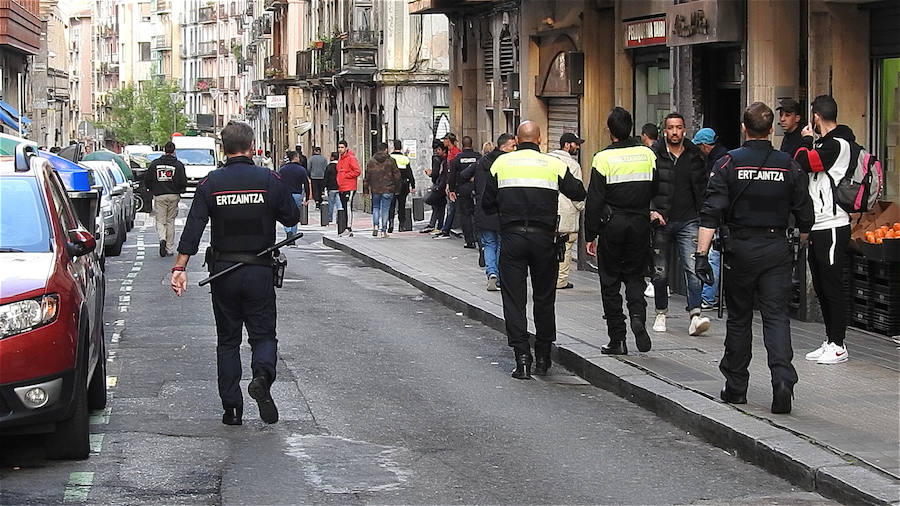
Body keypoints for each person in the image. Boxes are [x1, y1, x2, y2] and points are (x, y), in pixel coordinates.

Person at [170, 121, 300, 425]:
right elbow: (291, 216)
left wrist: (180, 267)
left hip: (223, 272)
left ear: (223, 149)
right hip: (259, 270)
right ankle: (262, 377)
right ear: (252, 146)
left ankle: (232, 408)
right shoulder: (268, 179)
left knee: (228, 340)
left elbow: (194, 227)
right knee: (263, 334)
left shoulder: (211, 183)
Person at [694, 102, 813, 414]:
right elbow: (805, 215)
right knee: (776, 317)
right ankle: (783, 381)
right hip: (776, 248)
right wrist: (799, 242)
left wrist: (701, 256)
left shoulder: (729, 163)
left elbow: (710, 214)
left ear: (744, 128)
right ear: (771, 129)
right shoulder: (788, 164)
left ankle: (736, 387)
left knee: (740, 319)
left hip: (739, 250)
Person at [482, 121, 586, 379]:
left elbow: (486, 203)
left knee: (514, 299)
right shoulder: (553, 164)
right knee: (544, 298)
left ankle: (522, 358)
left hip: (513, 237)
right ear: (540, 141)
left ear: (517, 140)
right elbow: (578, 191)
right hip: (544, 239)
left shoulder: (501, 164)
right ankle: (543, 357)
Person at [585, 107, 658, 356]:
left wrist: (590, 235)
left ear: (610, 131)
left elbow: (594, 199)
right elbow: (656, 187)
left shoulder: (602, 158)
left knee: (610, 281)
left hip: (612, 225)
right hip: (639, 223)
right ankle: (638, 315)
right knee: (635, 277)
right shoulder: (647, 154)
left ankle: (618, 338)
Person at [794, 95, 856, 365]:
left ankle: (839, 344)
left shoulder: (840, 144)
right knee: (820, 284)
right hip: (818, 223)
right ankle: (830, 339)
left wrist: (806, 140)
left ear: (816, 116)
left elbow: (805, 162)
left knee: (831, 284)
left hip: (833, 224)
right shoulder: (824, 144)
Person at [649, 113, 711, 336]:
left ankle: (695, 314)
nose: (674, 132)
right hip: (662, 220)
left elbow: (703, 188)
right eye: (670, 128)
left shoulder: (695, 155)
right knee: (660, 270)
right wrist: (652, 210)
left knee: (693, 268)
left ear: (685, 130)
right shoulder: (654, 154)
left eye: (678, 128)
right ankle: (660, 313)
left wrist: (706, 216)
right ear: (664, 130)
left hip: (689, 219)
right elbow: (647, 185)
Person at [691, 128, 729, 310]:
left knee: (713, 255)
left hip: (718, 216)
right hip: (722, 214)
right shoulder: (723, 158)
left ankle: (708, 297)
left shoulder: (718, 162)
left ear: (705, 146)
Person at [474, 133, 515, 291]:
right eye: (513, 146)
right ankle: (498, 276)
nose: (515, 149)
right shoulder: (507, 163)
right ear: (503, 147)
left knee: (489, 243)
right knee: (500, 244)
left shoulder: (481, 162)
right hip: (501, 209)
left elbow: (476, 185)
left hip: (484, 209)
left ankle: (491, 273)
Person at [549, 132, 586, 290]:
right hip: (566, 213)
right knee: (565, 247)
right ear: (567, 145)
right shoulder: (573, 166)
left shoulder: (547, 160)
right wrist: (582, 207)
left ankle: (548, 278)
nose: (577, 147)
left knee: (548, 246)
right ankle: (560, 281)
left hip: (547, 211)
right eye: (575, 144)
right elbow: (577, 192)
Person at [146, 141, 188, 257]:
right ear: (174, 151)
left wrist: (151, 188)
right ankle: (169, 248)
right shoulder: (178, 165)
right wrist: (180, 189)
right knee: (170, 221)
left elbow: (148, 179)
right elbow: (183, 181)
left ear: (164, 150)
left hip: (160, 195)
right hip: (174, 195)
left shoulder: (155, 164)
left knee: (160, 220)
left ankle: (162, 238)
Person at [438, 136, 481, 246]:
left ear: (462, 145)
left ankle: (469, 241)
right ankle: (479, 238)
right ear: (472, 144)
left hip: (462, 189)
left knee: (465, 215)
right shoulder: (478, 157)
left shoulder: (458, 158)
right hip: (477, 188)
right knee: (476, 214)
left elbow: (452, 175)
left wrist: (451, 189)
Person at [365, 142, 401, 238]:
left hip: (375, 188)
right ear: (386, 149)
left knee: (376, 207)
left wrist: (366, 190)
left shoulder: (371, 161)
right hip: (388, 189)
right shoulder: (391, 161)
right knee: (385, 209)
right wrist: (397, 188)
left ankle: (375, 226)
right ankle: (383, 231)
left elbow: (367, 176)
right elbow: (397, 175)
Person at [277, 150, 311, 242]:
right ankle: (293, 236)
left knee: (285, 214)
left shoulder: (282, 169)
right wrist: (307, 198)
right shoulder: (301, 170)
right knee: (295, 215)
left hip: (285, 194)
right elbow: (306, 184)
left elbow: (278, 183)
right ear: (295, 158)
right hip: (297, 194)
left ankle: (288, 231)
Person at [388, 140, 415, 232]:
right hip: (403, 185)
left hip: (391, 185)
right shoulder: (405, 159)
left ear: (393, 147)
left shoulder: (389, 157)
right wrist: (413, 185)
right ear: (401, 147)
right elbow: (409, 173)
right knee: (401, 205)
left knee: (391, 205)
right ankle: (401, 225)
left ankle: (390, 224)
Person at [421, 142, 448, 233]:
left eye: (439, 149)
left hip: (440, 186)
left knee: (437, 205)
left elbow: (438, 174)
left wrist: (431, 174)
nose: (437, 151)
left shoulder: (438, 159)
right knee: (439, 206)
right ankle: (436, 225)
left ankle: (437, 225)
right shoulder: (442, 159)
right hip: (440, 185)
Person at [336, 140, 361, 237]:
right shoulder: (341, 159)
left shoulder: (351, 158)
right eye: (339, 147)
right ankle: (346, 228)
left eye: (342, 147)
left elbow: (357, 171)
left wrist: (346, 175)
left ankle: (349, 228)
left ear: (346, 148)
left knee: (348, 206)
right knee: (344, 207)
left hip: (349, 186)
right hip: (342, 187)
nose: (340, 149)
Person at [324, 151, 341, 225]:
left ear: (332, 157)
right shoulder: (340, 166)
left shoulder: (329, 167)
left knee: (331, 204)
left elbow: (326, 178)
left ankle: (330, 218)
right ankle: (340, 218)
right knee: (339, 204)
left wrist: (324, 187)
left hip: (331, 188)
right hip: (339, 187)